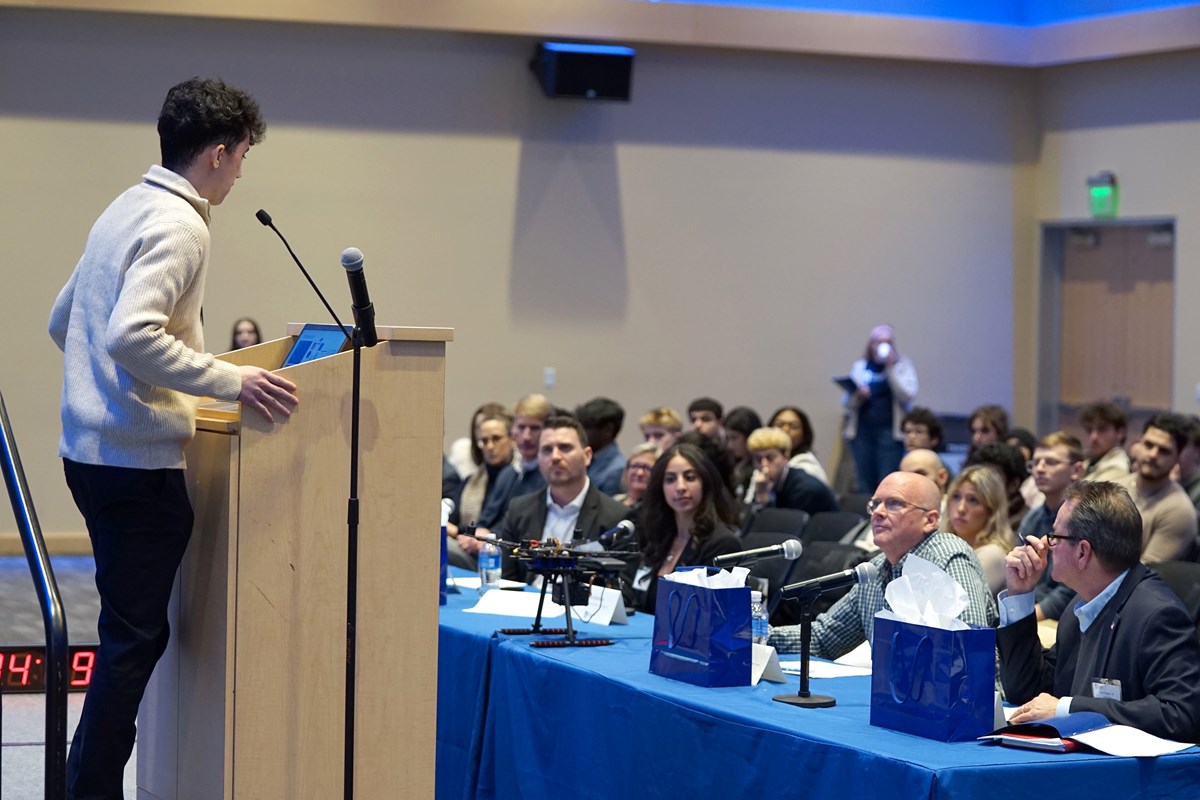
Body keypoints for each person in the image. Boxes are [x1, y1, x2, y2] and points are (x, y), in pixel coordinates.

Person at [47, 77, 298, 799]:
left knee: (132, 634)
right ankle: (86, 789)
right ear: (219, 153)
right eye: (244, 154)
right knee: (133, 643)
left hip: (88, 455)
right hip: (135, 465)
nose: (243, 170)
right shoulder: (182, 224)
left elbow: (66, 321)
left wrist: (112, 386)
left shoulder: (125, 206)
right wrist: (231, 381)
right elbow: (130, 332)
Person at [998, 481, 1200, 741]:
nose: (1046, 545)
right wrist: (1020, 596)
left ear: (1083, 551)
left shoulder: (1156, 615)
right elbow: (1026, 691)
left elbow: (1182, 714)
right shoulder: (1078, 609)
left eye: (1054, 537)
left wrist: (1067, 708)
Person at [770, 472, 995, 658]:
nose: (878, 512)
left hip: (965, 706)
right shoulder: (875, 570)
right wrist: (755, 635)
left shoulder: (947, 557)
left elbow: (971, 649)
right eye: (875, 504)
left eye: (894, 504)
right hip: (899, 701)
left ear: (930, 520)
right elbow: (822, 639)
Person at [494, 417, 629, 581]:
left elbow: (622, 592)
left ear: (587, 456)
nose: (555, 456)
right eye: (547, 450)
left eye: (565, 448)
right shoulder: (519, 509)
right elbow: (508, 580)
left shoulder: (617, 518)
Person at [628, 443, 741, 614]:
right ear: (661, 487)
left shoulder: (722, 544)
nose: (680, 487)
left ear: (705, 482)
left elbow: (708, 614)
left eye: (690, 477)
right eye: (670, 479)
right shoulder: (656, 536)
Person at [1016, 432, 1086, 621]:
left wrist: (1026, 618)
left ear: (1076, 470)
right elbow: (1020, 574)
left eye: (1050, 462)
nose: (1039, 469)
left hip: (1072, 618)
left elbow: (1075, 587)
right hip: (1034, 611)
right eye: (1035, 462)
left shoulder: (1087, 519)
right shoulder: (1032, 518)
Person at [842, 324, 918, 493]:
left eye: (888, 342)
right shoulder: (860, 367)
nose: (883, 345)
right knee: (864, 481)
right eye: (878, 342)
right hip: (862, 432)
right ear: (871, 345)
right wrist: (858, 395)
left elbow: (907, 394)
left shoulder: (902, 366)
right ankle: (867, 517)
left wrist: (890, 368)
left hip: (889, 433)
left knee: (887, 480)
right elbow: (847, 404)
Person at [1117, 413, 1199, 563]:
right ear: (1139, 444)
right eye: (1148, 445)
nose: (1153, 454)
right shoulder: (1115, 487)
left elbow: (1145, 572)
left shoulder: (1179, 510)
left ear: (1177, 457)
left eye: (1164, 451)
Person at [942, 465, 1014, 596]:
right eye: (956, 497)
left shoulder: (993, 554)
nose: (961, 508)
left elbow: (955, 604)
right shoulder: (944, 545)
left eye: (973, 500)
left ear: (991, 511)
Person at [747, 427, 839, 517]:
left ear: (786, 456)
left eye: (770, 458)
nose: (764, 465)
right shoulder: (765, 485)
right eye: (758, 459)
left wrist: (762, 496)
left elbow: (779, 530)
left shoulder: (805, 490)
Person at [575, 396, 626, 497]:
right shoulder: (584, 457)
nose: (579, 434)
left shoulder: (616, 470)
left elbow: (606, 511)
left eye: (586, 428)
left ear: (608, 431)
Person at [769, 405, 829, 485]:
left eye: (793, 426)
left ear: (804, 435)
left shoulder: (807, 468)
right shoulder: (764, 462)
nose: (785, 429)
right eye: (779, 425)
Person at [1078, 401, 1131, 482]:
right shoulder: (1090, 460)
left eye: (1102, 429)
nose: (1093, 437)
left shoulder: (1118, 468)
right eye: (1089, 430)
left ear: (1120, 433)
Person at [723, 406, 763, 503]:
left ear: (750, 436)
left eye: (734, 438)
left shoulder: (763, 467)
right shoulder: (732, 465)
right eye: (727, 439)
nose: (730, 446)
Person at [615, 442, 660, 509]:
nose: (639, 473)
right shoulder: (615, 501)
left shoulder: (658, 509)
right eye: (635, 466)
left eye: (647, 468)